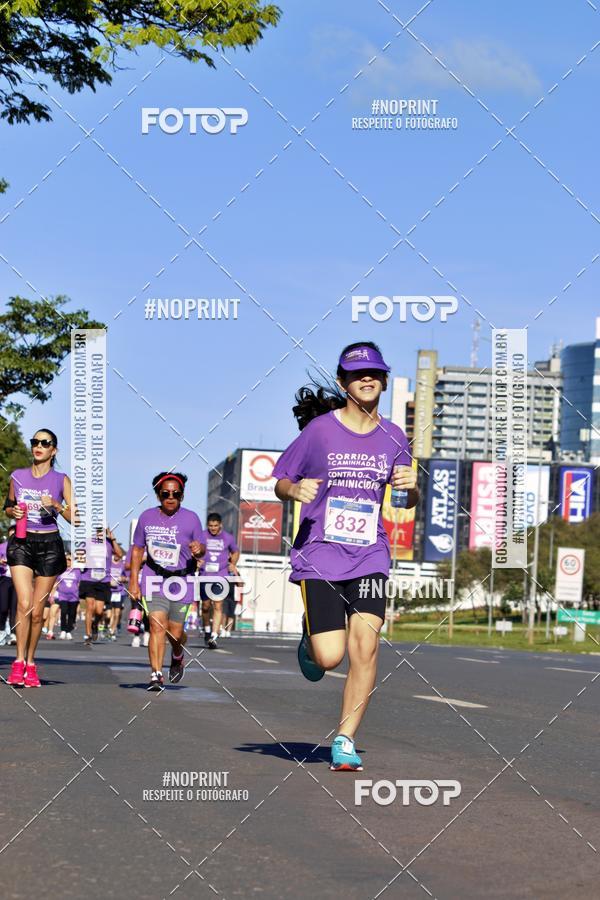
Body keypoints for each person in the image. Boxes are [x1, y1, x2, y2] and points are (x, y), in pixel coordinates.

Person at [273, 343, 419, 771]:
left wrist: (411, 487)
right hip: (320, 553)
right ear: (343, 382)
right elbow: (282, 477)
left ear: (384, 381)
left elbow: (407, 501)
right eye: (358, 374)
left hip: (370, 554)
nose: (367, 378)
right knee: (329, 657)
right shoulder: (319, 430)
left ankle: (344, 739)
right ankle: (310, 635)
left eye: (374, 372)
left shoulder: (394, 436)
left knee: (367, 644)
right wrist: (294, 490)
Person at [4, 429, 74, 687]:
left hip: (49, 545)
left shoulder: (61, 480)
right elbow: (8, 506)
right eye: (35, 442)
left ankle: (31, 662)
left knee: (36, 612)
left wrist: (56, 505)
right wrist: (14, 512)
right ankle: (18, 661)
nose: (39, 446)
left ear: (53, 450)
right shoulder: (18, 476)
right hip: (22, 542)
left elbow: (75, 518)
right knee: (23, 603)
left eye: (45, 443)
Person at [128, 473, 204, 690]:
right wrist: (134, 581)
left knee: (175, 632)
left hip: (182, 580)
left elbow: (201, 547)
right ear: (158, 495)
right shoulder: (146, 517)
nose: (171, 498)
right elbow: (137, 550)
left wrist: (200, 549)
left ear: (182, 495)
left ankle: (178, 653)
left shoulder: (192, 518)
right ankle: (156, 674)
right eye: (166, 494)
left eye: (176, 494)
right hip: (154, 577)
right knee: (156, 625)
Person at [198, 512, 240, 648]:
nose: (213, 528)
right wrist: (196, 560)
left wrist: (233, 564)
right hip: (205, 575)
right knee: (205, 606)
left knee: (218, 605)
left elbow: (235, 551)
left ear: (220, 525)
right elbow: (194, 551)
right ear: (207, 525)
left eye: (215, 526)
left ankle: (214, 636)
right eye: (210, 526)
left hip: (221, 576)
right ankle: (207, 630)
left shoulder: (228, 538)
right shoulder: (201, 536)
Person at [79, 527, 124, 646]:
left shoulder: (109, 543)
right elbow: (78, 556)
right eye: (98, 530)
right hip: (88, 578)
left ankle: (95, 625)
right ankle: (88, 635)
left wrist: (113, 538)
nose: (100, 532)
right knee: (90, 607)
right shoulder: (88, 542)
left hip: (103, 580)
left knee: (99, 611)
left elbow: (120, 554)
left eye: (103, 530)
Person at [55, 555, 81, 639]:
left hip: (74, 596)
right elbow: (56, 582)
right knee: (63, 612)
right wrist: (52, 595)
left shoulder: (76, 571)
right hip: (63, 595)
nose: (68, 561)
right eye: (66, 559)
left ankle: (69, 631)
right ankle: (63, 630)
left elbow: (79, 583)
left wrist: (79, 594)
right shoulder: (61, 570)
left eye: (70, 559)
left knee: (72, 614)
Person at [0, 526, 17, 646]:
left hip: (18, 580)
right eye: (11, 534)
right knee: (3, 607)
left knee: (15, 608)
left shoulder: (23, 546)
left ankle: (13, 633)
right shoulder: (2, 546)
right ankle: (1, 630)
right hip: (5, 579)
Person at [109, 550, 126, 639]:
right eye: (115, 554)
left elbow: (127, 578)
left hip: (119, 592)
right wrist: (109, 581)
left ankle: (113, 630)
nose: (116, 555)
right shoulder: (109, 563)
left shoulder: (123, 564)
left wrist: (121, 578)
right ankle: (107, 626)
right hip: (109, 591)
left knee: (117, 613)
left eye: (118, 554)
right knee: (108, 613)